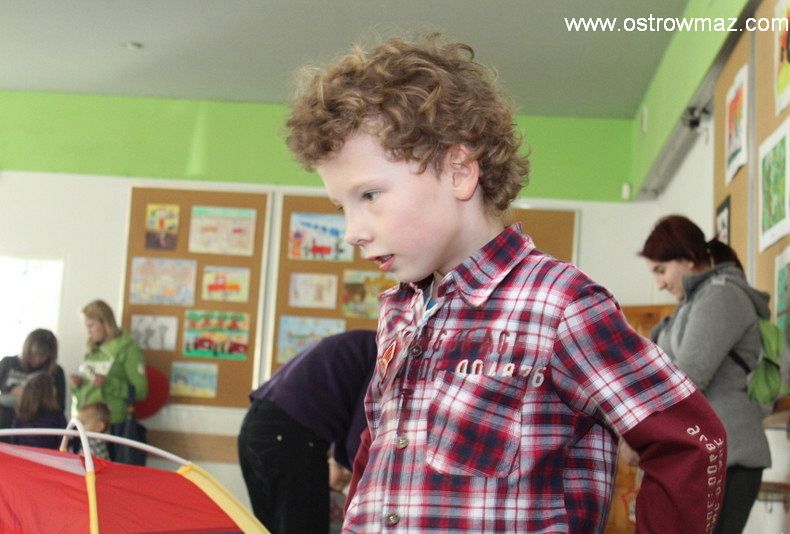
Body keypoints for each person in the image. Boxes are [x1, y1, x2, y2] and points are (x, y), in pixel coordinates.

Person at [285, 34, 729, 533]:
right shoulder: (400, 310)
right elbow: (384, 448)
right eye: (341, 206)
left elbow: (691, 441)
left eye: (369, 195)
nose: (352, 231)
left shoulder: (559, 304)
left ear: (459, 172)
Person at [639, 214, 771, 534]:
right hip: (708, 458)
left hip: (730, 457)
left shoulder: (721, 296)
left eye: (661, 270)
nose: (659, 283)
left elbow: (687, 380)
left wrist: (639, 430)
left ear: (687, 258)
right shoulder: (692, 302)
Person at [237, 329, 377, 534]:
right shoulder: (386, 355)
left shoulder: (364, 343)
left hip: (255, 427)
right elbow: (360, 439)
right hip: (289, 437)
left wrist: (342, 466)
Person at [69, 299, 148, 461]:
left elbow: (141, 391)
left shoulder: (128, 349)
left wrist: (108, 383)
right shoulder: (92, 350)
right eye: (86, 327)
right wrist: (77, 386)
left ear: (105, 322)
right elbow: (88, 389)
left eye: (91, 326)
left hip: (111, 426)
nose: (88, 331)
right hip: (85, 424)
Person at [0, 329, 65, 434]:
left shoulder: (56, 372)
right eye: (33, 354)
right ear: (27, 349)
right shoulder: (8, 363)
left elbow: (59, 406)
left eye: (43, 356)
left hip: (38, 432)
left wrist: (29, 395)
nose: (37, 359)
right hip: (5, 425)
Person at [10, 372, 67, 449]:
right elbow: (65, 444)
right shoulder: (57, 417)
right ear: (49, 393)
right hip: (49, 456)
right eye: (53, 387)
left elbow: (14, 444)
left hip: (23, 456)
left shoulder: (20, 418)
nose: (55, 390)